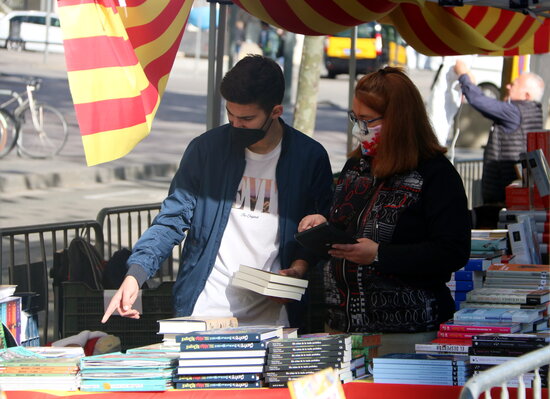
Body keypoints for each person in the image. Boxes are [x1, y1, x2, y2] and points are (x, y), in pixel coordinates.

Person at [102, 55, 333, 328]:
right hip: (205, 308)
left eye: (246, 118)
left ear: (275, 112)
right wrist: (136, 273)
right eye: (230, 114)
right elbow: (172, 219)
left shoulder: (310, 157)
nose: (236, 125)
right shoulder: (206, 149)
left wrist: (299, 268)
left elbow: (317, 233)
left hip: (276, 318)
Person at [298, 67, 471, 353]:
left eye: (367, 120)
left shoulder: (436, 174)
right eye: (355, 118)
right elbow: (347, 223)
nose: (358, 128)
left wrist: (380, 255)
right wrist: (323, 223)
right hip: (342, 328)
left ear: (398, 120)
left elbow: (452, 250)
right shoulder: (357, 166)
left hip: (406, 334)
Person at [454, 60, 544, 206]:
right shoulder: (533, 110)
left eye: (513, 85)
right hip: (514, 187)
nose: (508, 86)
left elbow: (478, 100)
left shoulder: (515, 111)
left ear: (526, 95)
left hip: (502, 191)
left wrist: (463, 74)